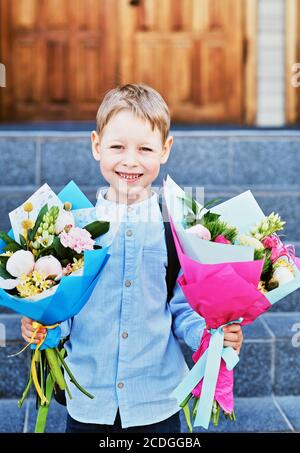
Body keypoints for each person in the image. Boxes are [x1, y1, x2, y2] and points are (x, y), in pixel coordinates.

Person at [21, 83, 243, 433]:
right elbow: (63, 308)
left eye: (145, 148)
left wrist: (212, 333)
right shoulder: (71, 228)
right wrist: (43, 325)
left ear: (165, 149)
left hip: (156, 399)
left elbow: (183, 307)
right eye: (117, 147)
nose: (130, 160)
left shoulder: (179, 230)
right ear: (96, 145)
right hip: (88, 398)